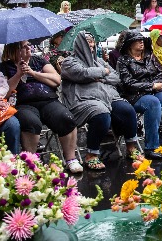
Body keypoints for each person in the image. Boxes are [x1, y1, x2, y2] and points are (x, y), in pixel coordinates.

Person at [0, 41, 82, 174]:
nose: (28, 48)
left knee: (65, 117)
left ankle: (71, 159)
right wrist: (19, 74)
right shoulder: (5, 66)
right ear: (14, 50)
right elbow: (4, 92)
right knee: (31, 122)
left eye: (29, 45)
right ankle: (30, 163)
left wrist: (33, 73)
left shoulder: (38, 60)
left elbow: (56, 80)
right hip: (23, 104)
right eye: (24, 46)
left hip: (48, 100)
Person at [60, 32, 140, 170]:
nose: (91, 44)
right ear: (79, 44)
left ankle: (131, 147)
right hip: (84, 99)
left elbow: (116, 78)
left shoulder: (99, 60)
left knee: (127, 110)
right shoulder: (69, 62)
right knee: (101, 114)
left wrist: (99, 75)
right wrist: (103, 71)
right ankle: (91, 154)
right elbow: (82, 74)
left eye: (92, 41)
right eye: (87, 41)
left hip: (107, 97)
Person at [117, 30, 162, 154]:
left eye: (142, 39)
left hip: (155, 91)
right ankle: (152, 146)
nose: (141, 42)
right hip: (135, 95)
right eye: (137, 40)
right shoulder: (123, 61)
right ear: (130, 44)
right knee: (153, 103)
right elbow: (127, 83)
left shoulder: (149, 56)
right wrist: (151, 86)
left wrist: (156, 85)